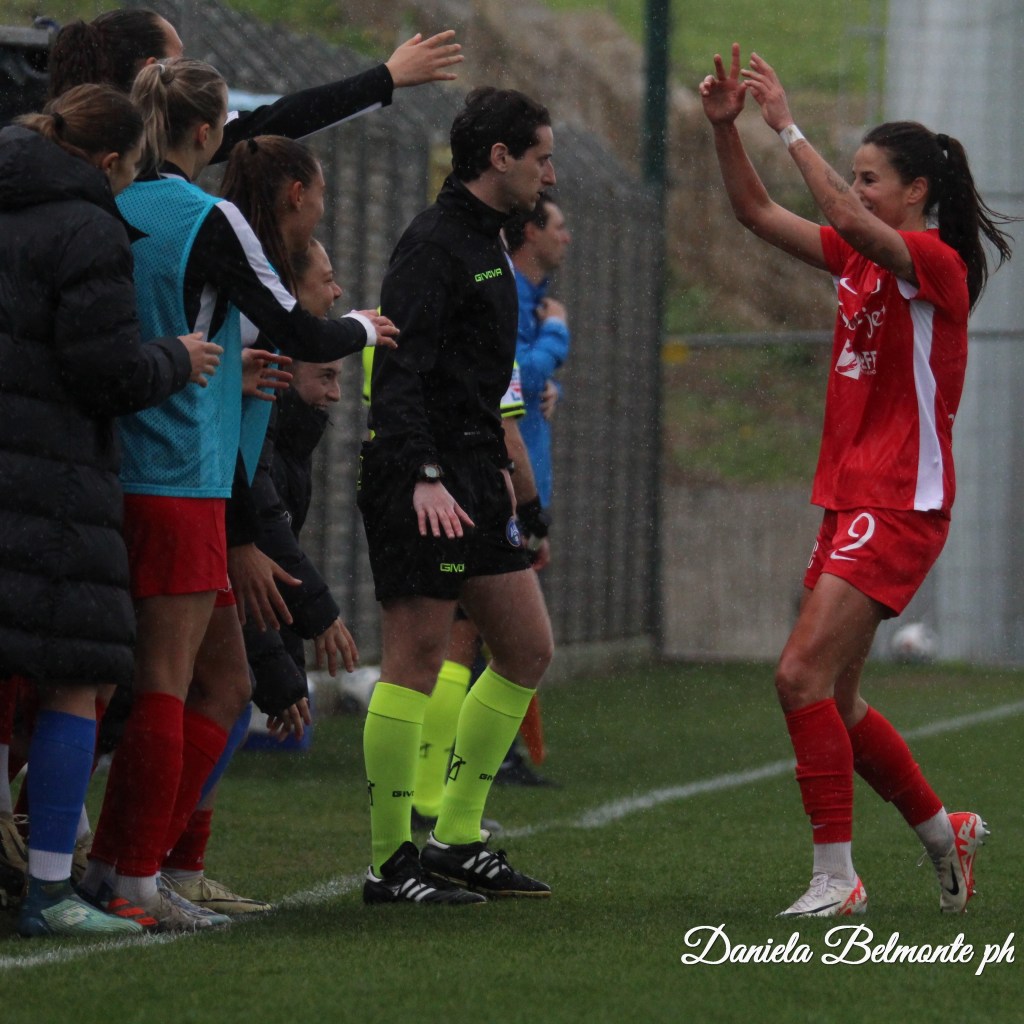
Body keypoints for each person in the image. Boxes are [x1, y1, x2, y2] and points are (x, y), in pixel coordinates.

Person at [77, 59, 395, 933]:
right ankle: (125, 875)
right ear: (209, 132)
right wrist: (361, 329)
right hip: (180, 471)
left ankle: (117, 861)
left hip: (124, 463)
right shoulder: (207, 217)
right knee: (163, 683)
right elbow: (295, 325)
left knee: (216, 679)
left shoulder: (113, 203)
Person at [699, 44, 1014, 917]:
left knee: (797, 675)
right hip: (851, 497)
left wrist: (787, 127)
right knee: (833, 698)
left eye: (872, 177)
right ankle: (942, 832)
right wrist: (726, 129)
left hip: (899, 499)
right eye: (858, 176)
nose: (857, 189)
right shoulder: (862, 259)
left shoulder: (935, 261)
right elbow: (756, 213)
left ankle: (837, 879)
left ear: (917, 192)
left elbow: (844, 215)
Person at [0, 83, 221, 936]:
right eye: (129, 172)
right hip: (53, 476)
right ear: (106, 160)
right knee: (75, 676)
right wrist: (175, 358)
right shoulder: (89, 226)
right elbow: (104, 372)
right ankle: (52, 889)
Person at [357, 86, 557, 905]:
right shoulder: (434, 243)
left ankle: (457, 839)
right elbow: (398, 370)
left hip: (475, 472)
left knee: (527, 647)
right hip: (424, 475)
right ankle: (388, 864)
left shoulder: (486, 241)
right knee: (415, 658)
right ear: (499, 158)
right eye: (541, 157)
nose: (549, 174)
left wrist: (503, 474)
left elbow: (475, 376)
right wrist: (424, 476)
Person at [47, 7, 462, 163]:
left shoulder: (50, 139)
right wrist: (385, 77)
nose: (190, 66)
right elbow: (280, 120)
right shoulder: (153, 169)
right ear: (152, 70)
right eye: (180, 57)